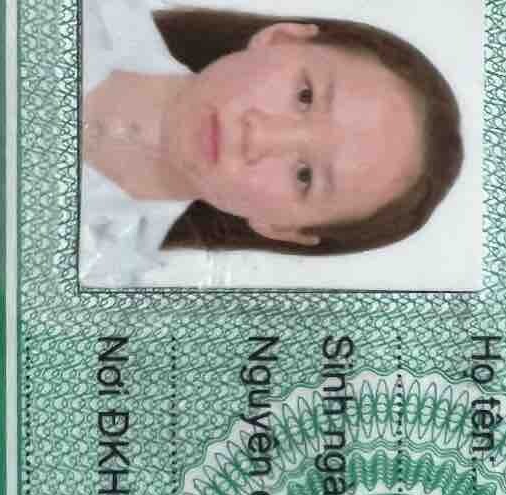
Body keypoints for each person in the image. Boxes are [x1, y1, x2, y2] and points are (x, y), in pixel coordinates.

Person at [81, 2, 464, 285]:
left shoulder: (88, 273)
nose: (260, 136)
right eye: (305, 96)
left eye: (304, 176)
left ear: (281, 227)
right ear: (281, 39)